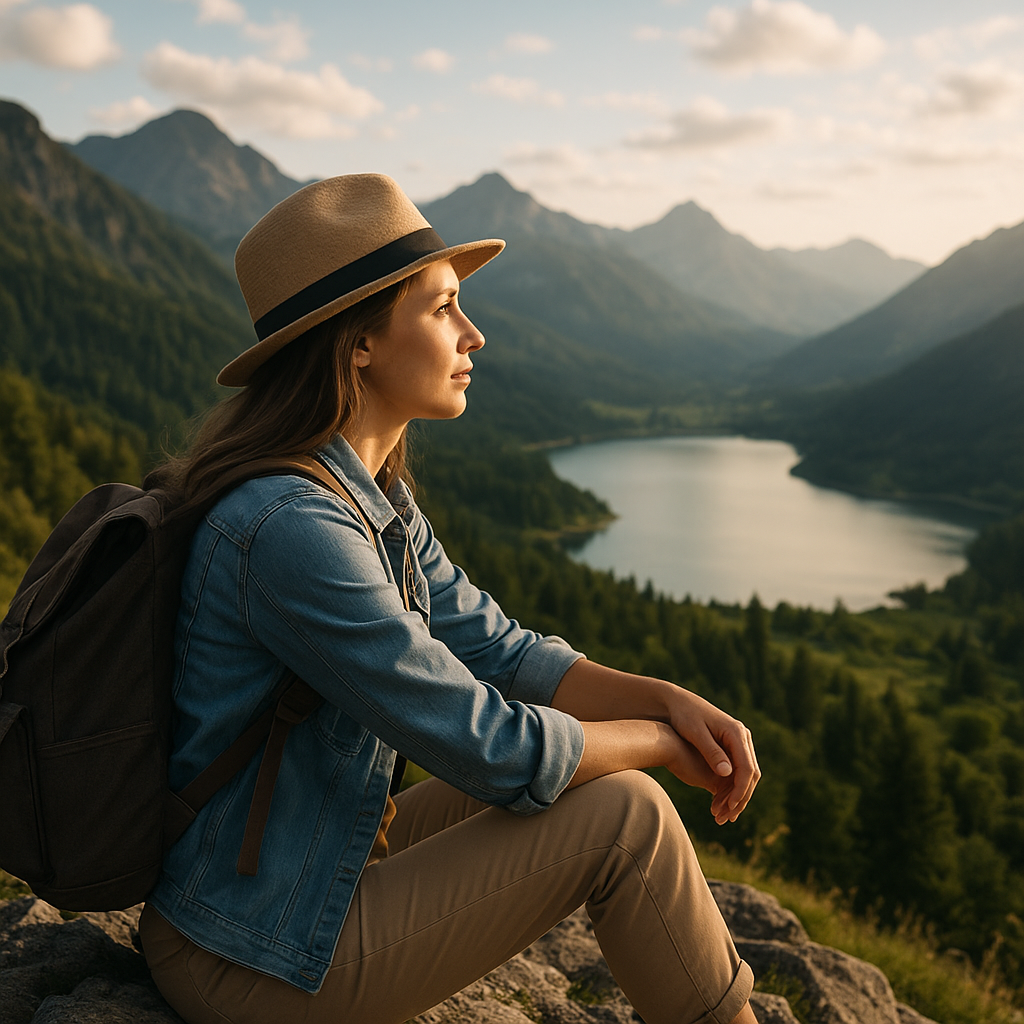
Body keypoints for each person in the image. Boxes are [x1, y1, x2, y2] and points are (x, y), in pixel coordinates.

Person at [138, 173, 762, 1024]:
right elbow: (496, 748)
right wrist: (655, 743)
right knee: (627, 816)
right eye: (442, 309)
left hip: (298, 885)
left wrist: (669, 701)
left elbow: (505, 654)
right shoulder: (291, 528)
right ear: (358, 343)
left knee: (601, 788)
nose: (474, 333)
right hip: (246, 957)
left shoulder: (366, 498)